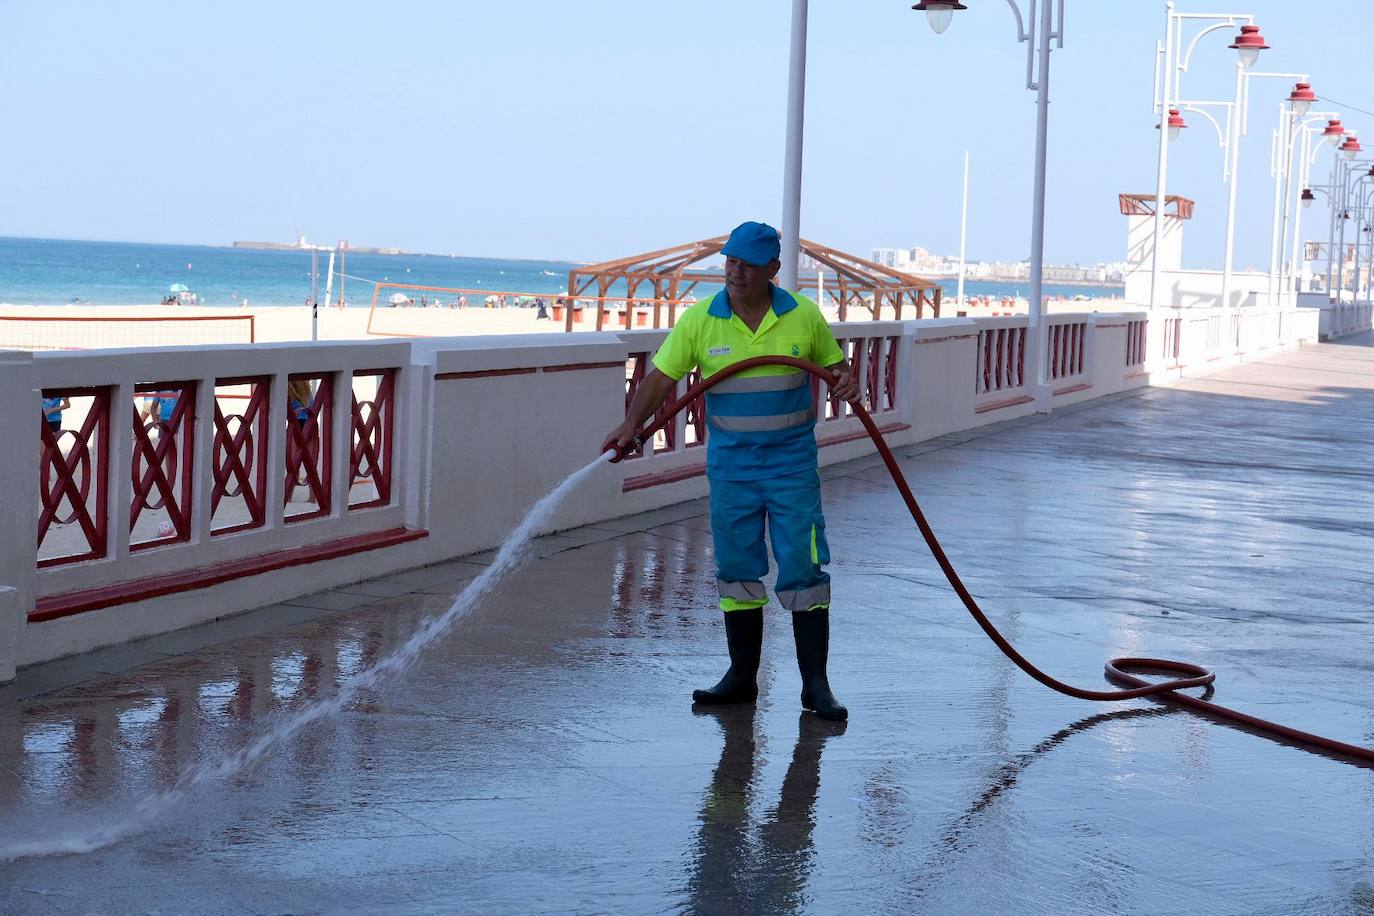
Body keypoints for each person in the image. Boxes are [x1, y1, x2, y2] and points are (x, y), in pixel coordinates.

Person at [601, 221, 860, 720]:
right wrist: (631, 423)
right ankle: (741, 679)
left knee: (803, 570)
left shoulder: (803, 316)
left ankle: (816, 687)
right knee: (737, 572)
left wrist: (846, 380)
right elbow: (661, 377)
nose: (735, 272)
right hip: (732, 471)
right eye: (730, 262)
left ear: (773, 270)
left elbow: (836, 367)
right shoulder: (702, 320)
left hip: (791, 470)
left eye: (747, 264)